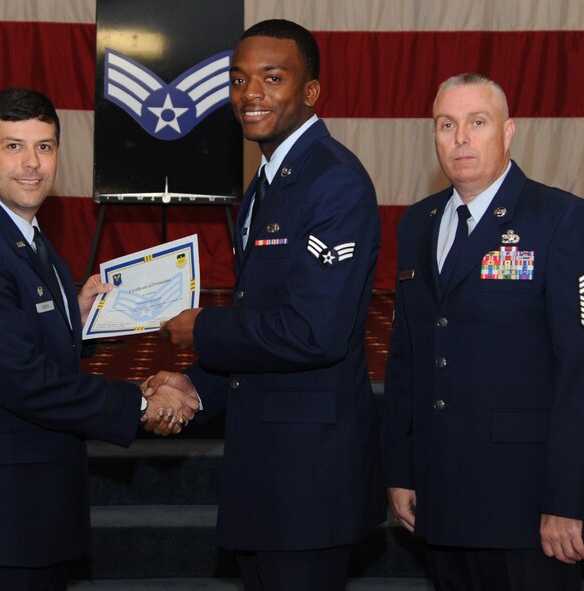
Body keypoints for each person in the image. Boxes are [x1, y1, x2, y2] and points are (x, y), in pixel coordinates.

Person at [0, 88, 199, 591]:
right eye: (14, 146)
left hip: (26, 515)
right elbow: (23, 379)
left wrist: (75, 313)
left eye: (44, 147)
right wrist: (138, 403)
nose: (31, 164)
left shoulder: (23, 234)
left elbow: (17, 331)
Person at [147, 19, 384, 590]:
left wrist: (203, 329)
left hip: (308, 476)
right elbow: (263, 326)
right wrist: (197, 386)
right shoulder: (266, 184)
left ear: (310, 92)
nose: (249, 93)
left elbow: (314, 333)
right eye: (238, 78)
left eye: (271, 78)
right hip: (265, 467)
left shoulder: (334, 182)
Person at [382, 73, 584, 590]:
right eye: (446, 125)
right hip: (441, 497)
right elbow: (407, 357)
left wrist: (567, 501)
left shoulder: (561, 220)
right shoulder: (417, 223)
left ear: (507, 132)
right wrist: (400, 468)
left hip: (528, 508)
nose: (461, 138)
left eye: (477, 122)